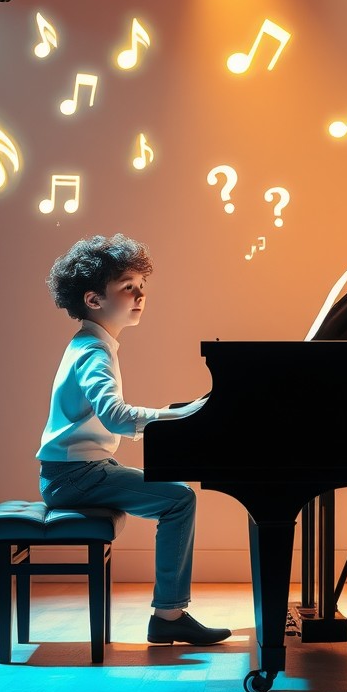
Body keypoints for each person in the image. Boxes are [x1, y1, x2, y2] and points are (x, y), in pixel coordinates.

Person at [37, 234, 230, 646]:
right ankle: (169, 615)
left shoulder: (91, 344)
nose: (140, 295)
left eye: (142, 287)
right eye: (128, 286)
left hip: (78, 472)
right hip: (75, 476)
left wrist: (178, 416)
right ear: (93, 299)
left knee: (176, 496)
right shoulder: (94, 351)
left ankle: (169, 613)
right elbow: (115, 416)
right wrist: (179, 416)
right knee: (179, 499)